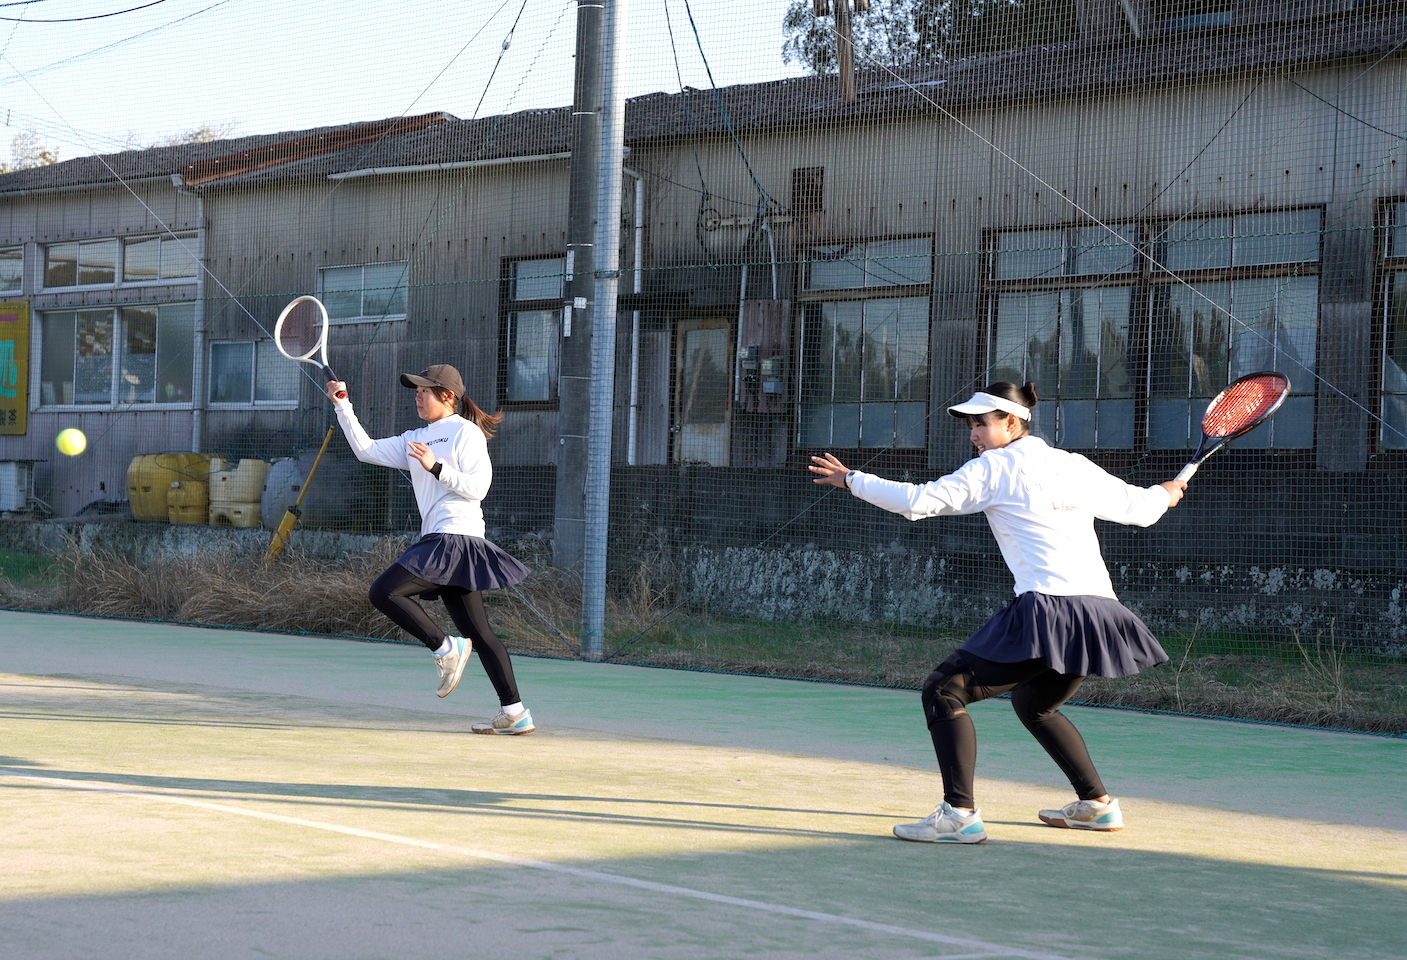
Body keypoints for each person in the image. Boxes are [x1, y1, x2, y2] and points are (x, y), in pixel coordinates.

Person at [809, 381, 1185, 843]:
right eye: (971, 425)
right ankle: (1097, 806)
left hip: (1050, 610)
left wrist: (852, 478)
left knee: (942, 690)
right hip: (1100, 613)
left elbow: (918, 501)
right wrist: (1166, 492)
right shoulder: (1074, 465)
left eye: (981, 423)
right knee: (1035, 703)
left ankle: (959, 816)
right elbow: (1142, 509)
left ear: (1012, 421)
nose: (974, 434)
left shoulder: (995, 468)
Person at [326, 363, 536, 735]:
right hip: (442, 540)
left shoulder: (464, 432)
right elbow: (366, 450)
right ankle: (515, 711)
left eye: (425, 390)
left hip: (456, 538)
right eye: (416, 391)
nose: (418, 396)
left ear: (448, 396)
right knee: (480, 633)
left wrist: (435, 466)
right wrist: (343, 405)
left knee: (384, 591)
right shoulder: (415, 437)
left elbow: (478, 488)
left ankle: (445, 649)